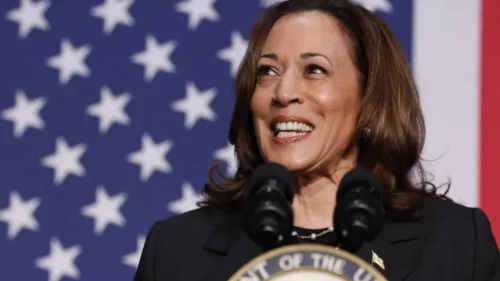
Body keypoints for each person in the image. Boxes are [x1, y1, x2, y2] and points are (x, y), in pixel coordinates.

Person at [134, 0, 499, 280]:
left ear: (369, 99)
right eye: (267, 72)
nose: (284, 92)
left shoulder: (454, 245)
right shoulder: (176, 251)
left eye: (315, 70)